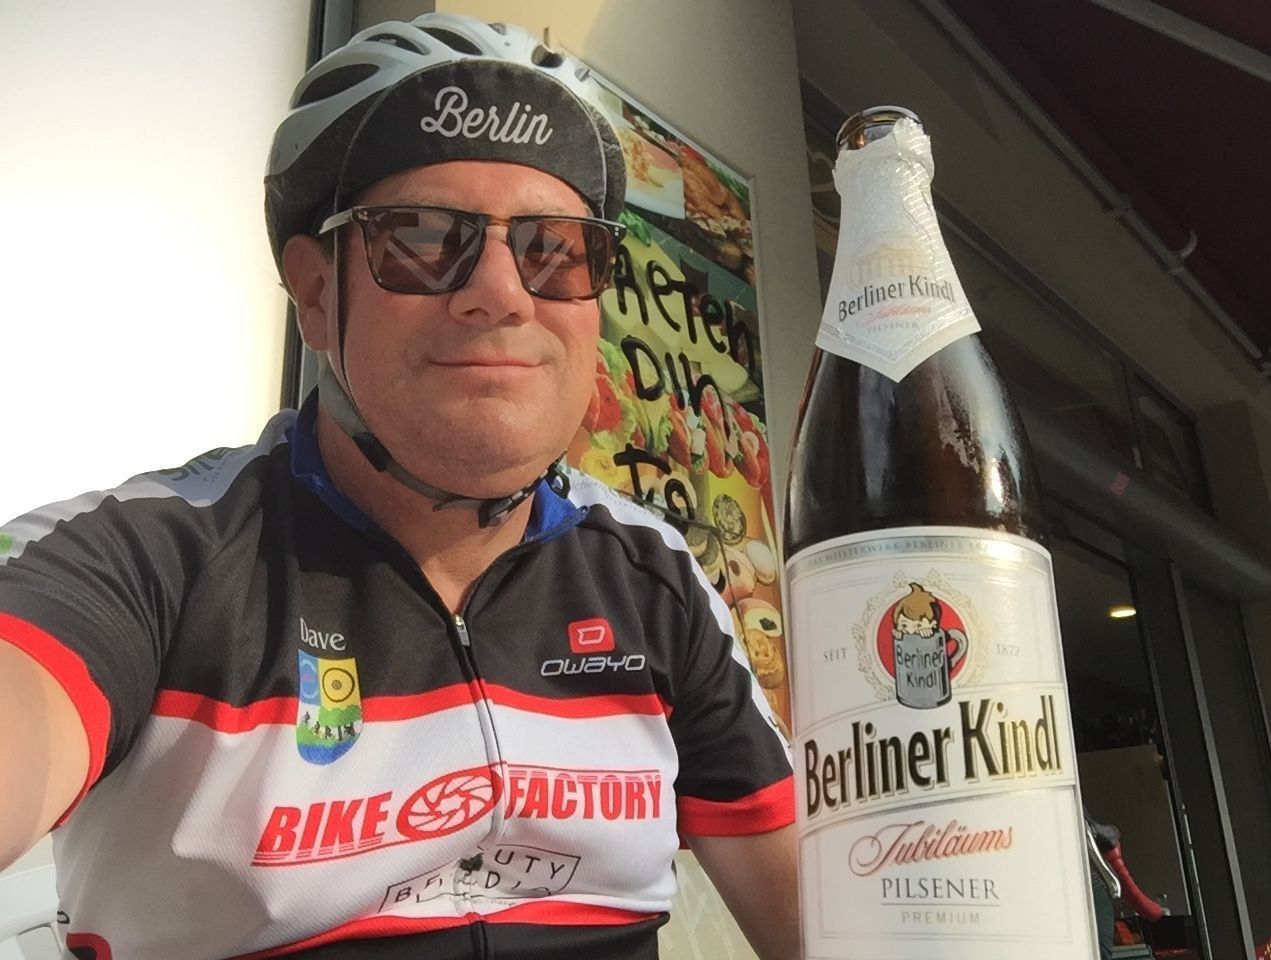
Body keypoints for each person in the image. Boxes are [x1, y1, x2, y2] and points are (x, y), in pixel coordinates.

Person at [0, 13, 797, 960]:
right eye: (422, 238)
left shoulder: (651, 577)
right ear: (317, 294)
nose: (503, 292)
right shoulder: (147, 558)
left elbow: (828, 919)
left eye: (554, 248)